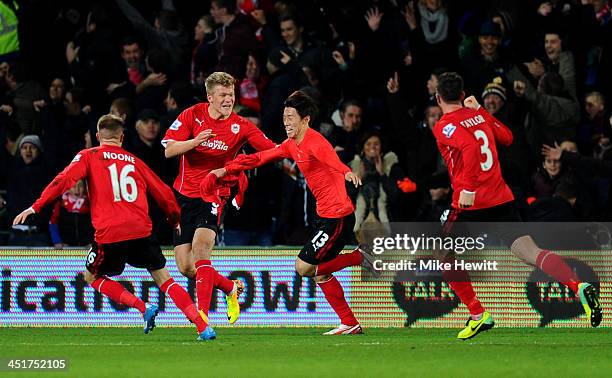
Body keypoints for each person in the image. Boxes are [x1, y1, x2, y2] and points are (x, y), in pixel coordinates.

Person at [12, 114, 214, 341]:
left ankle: (142, 307)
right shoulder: (135, 161)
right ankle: (203, 326)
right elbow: (165, 194)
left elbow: (63, 180)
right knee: (165, 280)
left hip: (109, 233)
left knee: (92, 277)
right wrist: (174, 220)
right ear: (122, 137)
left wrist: (36, 207)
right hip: (141, 230)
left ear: (98, 136)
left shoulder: (88, 156)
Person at [432, 72, 601, 339]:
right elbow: (508, 138)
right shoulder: (479, 116)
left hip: (471, 203)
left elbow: (469, 148)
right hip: (501, 198)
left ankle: (478, 314)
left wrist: (469, 190)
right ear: (463, 95)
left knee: (443, 254)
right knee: (531, 252)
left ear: (438, 97)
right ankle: (578, 286)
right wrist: (483, 113)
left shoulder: (443, 124)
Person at [216, 90, 378, 335]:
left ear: (305, 120)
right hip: (324, 215)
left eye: (291, 117)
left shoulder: (315, 141)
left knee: (304, 267)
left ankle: (359, 257)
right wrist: (232, 166)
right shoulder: (292, 145)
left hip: (338, 217)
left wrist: (346, 171)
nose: (286, 122)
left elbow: (331, 159)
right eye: (284, 117)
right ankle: (350, 323)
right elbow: (263, 156)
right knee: (320, 274)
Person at [161, 72, 275, 333]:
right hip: (183, 196)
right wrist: (194, 142)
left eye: (231, 95)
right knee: (186, 267)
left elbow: (269, 149)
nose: (228, 100)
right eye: (223, 95)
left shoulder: (241, 126)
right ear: (210, 97)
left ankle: (202, 317)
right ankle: (230, 287)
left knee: (202, 250)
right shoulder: (192, 115)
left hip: (213, 194)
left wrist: (293, 147)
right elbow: (168, 150)